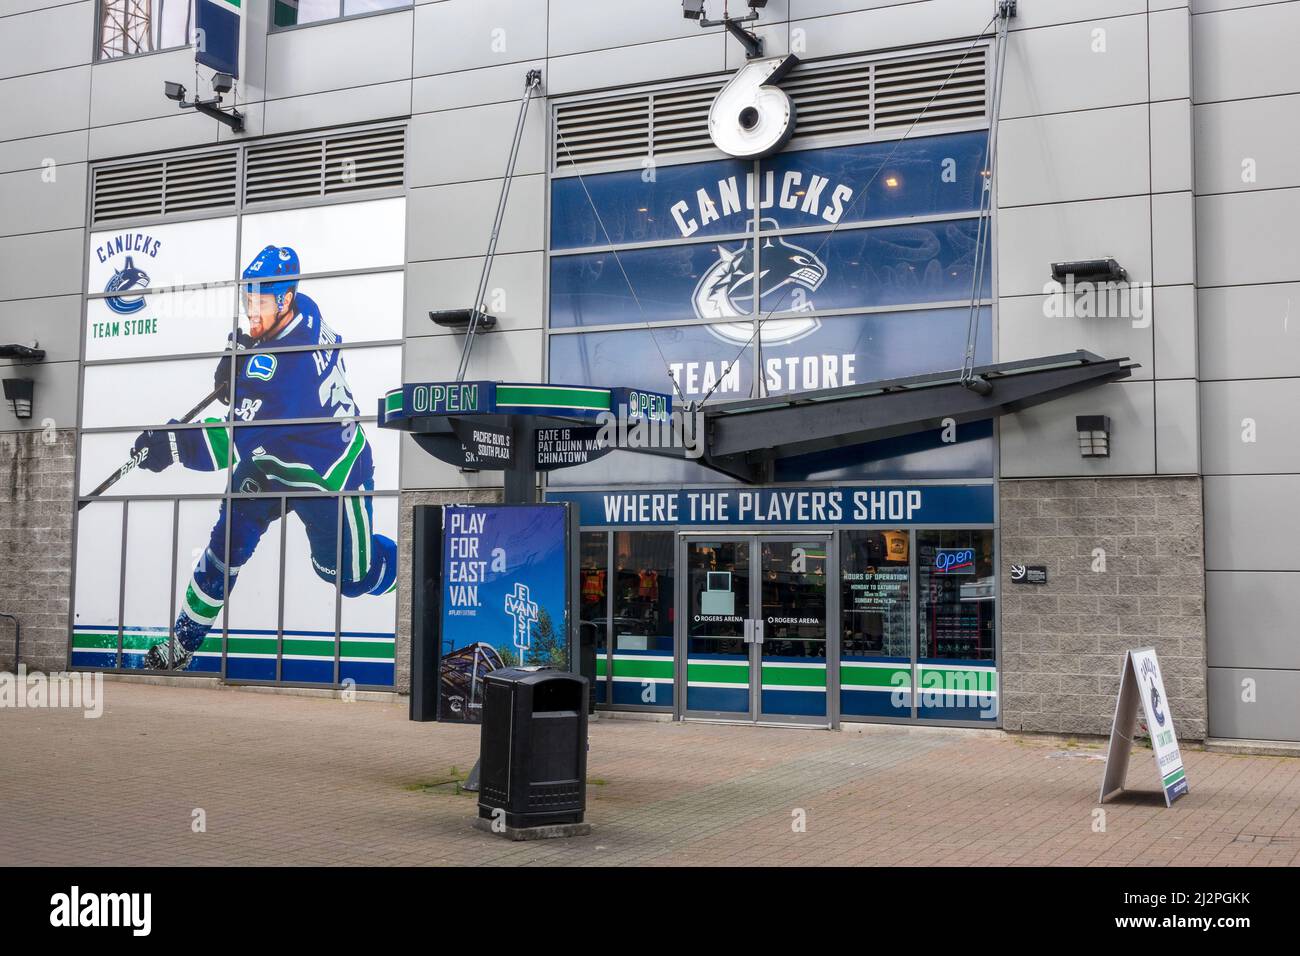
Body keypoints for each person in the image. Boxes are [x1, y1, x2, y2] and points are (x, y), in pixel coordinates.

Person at [130, 244, 396, 670]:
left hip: (331, 476)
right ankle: (183, 642)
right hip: (270, 464)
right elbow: (253, 370)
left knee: (347, 578)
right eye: (247, 300)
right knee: (222, 551)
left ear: (285, 299)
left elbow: (228, 440)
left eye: (261, 302)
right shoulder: (302, 307)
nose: (252, 310)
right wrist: (238, 350)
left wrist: (173, 445)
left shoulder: (289, 380)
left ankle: (419, 570)